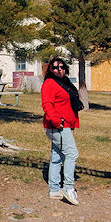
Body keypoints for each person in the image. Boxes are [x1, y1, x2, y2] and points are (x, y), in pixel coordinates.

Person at [41, 57, 82, 205]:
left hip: (63, 125)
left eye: (62, 67)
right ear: (50, 70)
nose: (59, 70)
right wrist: (57, 122)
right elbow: (47, 105)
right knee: (72, 154)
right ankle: (68, 188)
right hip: (57, 126)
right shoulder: (49, 83)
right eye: (55, 67)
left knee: (57, 156)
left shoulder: (64, 83)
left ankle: (54, 190)